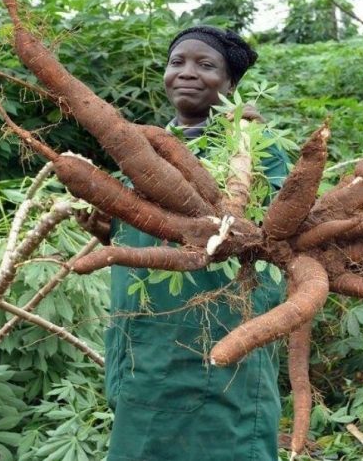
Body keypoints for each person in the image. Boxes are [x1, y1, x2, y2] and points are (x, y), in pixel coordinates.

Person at [85, 26, 290, 461]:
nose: (187, 73)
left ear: (231, 84)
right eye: (177, 62)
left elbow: (275, 235)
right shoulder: (142, 150)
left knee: (226, 437)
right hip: (145, 336)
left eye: (205, 64)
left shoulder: (256, 148)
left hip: (219, 324)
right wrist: (105, 227)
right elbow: (139, 233)